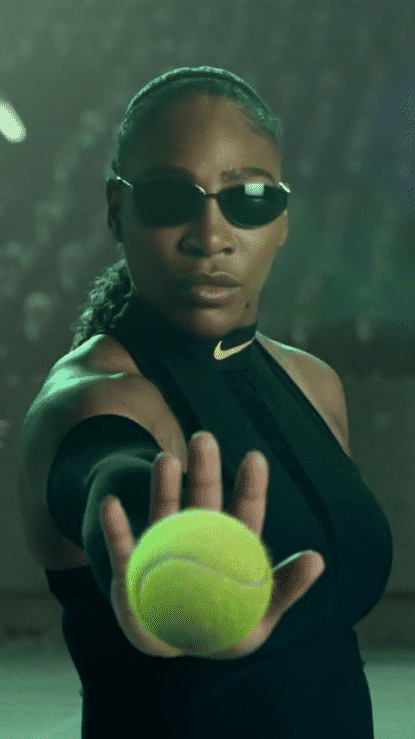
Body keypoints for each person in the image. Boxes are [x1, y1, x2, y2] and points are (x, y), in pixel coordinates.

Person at [19, 66, 393, 738]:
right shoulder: (88, 398)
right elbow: (106, 470)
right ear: (116, 209)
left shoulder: (315, 384)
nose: (210, 234)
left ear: (281, 220)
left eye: (248, 198)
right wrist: (159, 553)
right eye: (170, 196)